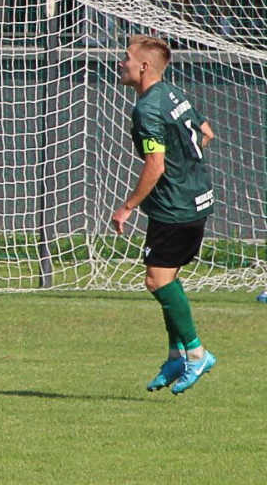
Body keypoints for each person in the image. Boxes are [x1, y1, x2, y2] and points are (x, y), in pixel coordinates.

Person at [112, 35, 217, 395]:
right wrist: (185, 169)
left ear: (143, 67)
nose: (120, 63)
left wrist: (127, 207)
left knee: (157, 281)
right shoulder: (173, 93)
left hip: (175, 208)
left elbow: (154, 166)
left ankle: (197, 353)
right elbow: (206, 133)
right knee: (165, 278)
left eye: (125, 58)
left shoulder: (146, 110)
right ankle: (176, 355)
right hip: (195, 198)